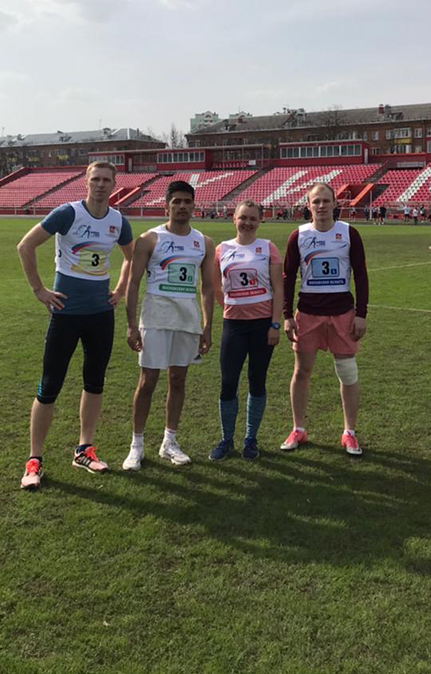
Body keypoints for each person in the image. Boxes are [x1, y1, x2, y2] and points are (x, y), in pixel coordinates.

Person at [16, 161, 134, 490]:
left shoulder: (118, 221)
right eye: (95, 179)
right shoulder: (68, 213)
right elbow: (25, 246)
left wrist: (120, 290)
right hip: (65, 314)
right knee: (49, 386)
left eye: (106, 180)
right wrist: (39, 290)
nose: (100, 185)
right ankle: (34, 460)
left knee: (94, 383)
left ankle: (84, 450)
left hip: (100, 316)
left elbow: (131, 255)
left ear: (114, 184)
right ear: (86, 182)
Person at [123, 180, 214, 470]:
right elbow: (133, 283)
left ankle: (169, 442)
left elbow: (207, 288)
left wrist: (207, 326)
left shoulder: (204, 242)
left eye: (187, 201)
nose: (182, 206)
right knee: (147, 382)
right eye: (177, 201)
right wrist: (131, 325)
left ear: (194, 206)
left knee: (178, 380)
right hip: (155, 318)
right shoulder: (150, 239)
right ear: (167, 206)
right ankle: (136, 445)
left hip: (187, 321)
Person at [281, 183, 369, 456]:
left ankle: (349, 432)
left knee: (347, 372)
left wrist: (362, 313)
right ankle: (298, 429)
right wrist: (287, 315)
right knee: (302, 372)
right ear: (308, 205)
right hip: (308, 314)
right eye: (316, 201)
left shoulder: (349, 233)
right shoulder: (298, 236)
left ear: (335, 203)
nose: (321, 206)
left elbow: (361, 274)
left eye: (326, 201)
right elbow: (288, 277)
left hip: (343, 313)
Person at [210, 201, 283, 461]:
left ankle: (251, 439)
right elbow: (215, 287)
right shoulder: (222, 249)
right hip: (234, 326)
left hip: (263, 326)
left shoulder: (268, 248)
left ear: (259, 221)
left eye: (253, 218)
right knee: (228, 382)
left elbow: (278, 288)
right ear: (234, 219)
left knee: (257, 381)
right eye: (243, 218)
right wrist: (231, 306)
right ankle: (226, 439)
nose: (247, 223)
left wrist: (275, 324)